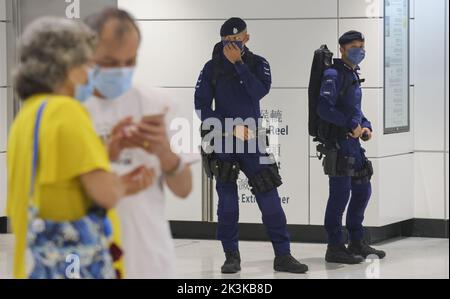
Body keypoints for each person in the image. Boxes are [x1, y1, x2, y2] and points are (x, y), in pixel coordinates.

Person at [7, 17, 154, 279]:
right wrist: (129, 184)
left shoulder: (29, 114)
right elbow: (105, 193)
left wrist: (105, 152)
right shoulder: (67, 112)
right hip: (75, 266)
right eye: (87, 63)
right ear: (66, 65)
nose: (91, 73)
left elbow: (62, 177)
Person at [83, 8, 195, 279]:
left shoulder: (159, 103)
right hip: (87, 254)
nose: (121, 71)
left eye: (130, 61)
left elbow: (184, 189)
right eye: (109, 62)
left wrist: (166, 155)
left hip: (150, 258)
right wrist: (108, 153)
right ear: (86, 55)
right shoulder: (70, 109)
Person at [195, 17, 308, 274]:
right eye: (228, 41)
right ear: (222, 41)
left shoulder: (258, 64)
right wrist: (229, 126)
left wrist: (239, 65)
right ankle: (231, 256)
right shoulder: (211, 68)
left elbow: (258, 92)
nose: (233, 45)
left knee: (269, 198)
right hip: (224, 141)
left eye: (238, 39)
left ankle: (283, 255)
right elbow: (202, 108)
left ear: (246, 37)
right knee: (227, 203)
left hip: (253, 143)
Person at [317, 31, 386, 264]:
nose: (360, 50)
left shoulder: (351, 74)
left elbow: (354, 109)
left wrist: (365, 126)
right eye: (354, 46)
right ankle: (335, 247)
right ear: (342, 50)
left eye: (362, 46)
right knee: (339, 196)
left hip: (353, 144)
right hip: (338, 143)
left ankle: (357, 241)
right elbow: (324, 109)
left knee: (362, 190)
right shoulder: (333, 74)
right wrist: (350, 125)